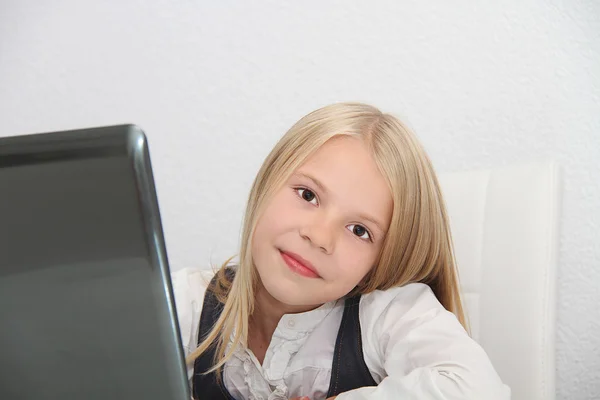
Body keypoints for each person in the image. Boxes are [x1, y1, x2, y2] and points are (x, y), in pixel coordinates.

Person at [172, 102, 511, 400]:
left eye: (359, 230)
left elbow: (479, 391)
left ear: (384, 259)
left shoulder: (387, 315)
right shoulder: (183, 303)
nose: (319, 236)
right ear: (266, 182)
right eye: (307, 195)